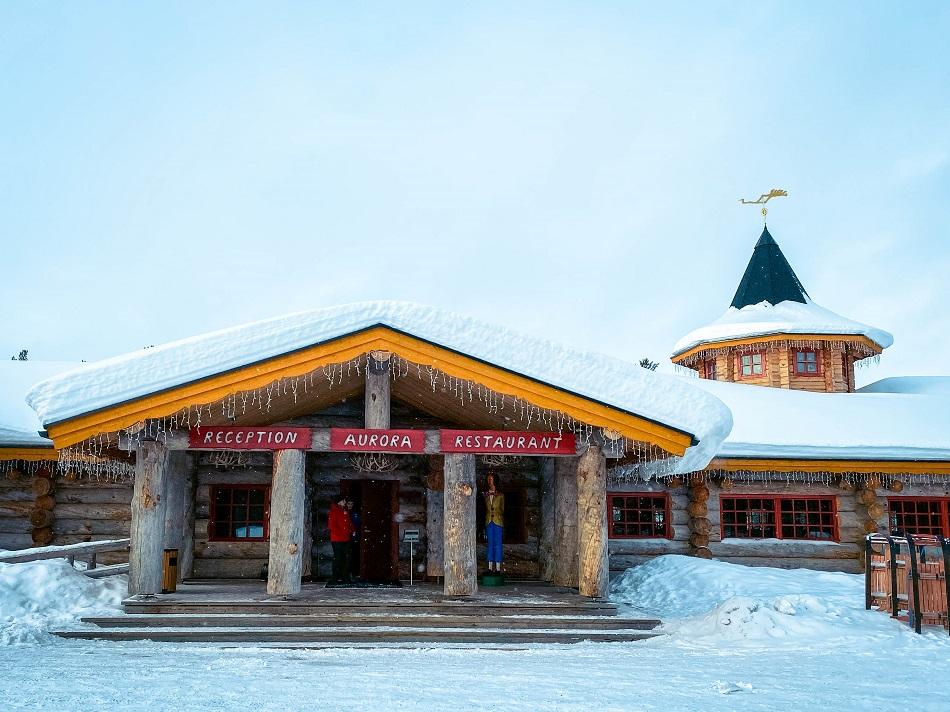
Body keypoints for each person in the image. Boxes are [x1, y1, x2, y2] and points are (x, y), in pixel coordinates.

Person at [328, 496, 355, 583]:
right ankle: (335, 578)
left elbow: (348, 522)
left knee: (347, 558)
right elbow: (332, 526)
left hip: (345, 539)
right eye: (343, 501)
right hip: (337, 539)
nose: (344, 502)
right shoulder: (334, 511)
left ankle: (345, 577)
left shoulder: (345, 510)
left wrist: (352, 529)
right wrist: (342, 533)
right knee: (338, 558)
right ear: (339, 502)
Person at [483, 472, 505, 573]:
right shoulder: (485, 495)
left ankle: (498, 568)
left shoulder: (500, 495)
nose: (489, 481)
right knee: (490, 543)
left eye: (491, 479)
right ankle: (490, 567)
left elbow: (502, 509)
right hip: (489, 521)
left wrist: (497, 513)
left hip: (498, 521)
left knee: (498, 544)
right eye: (488, 479)